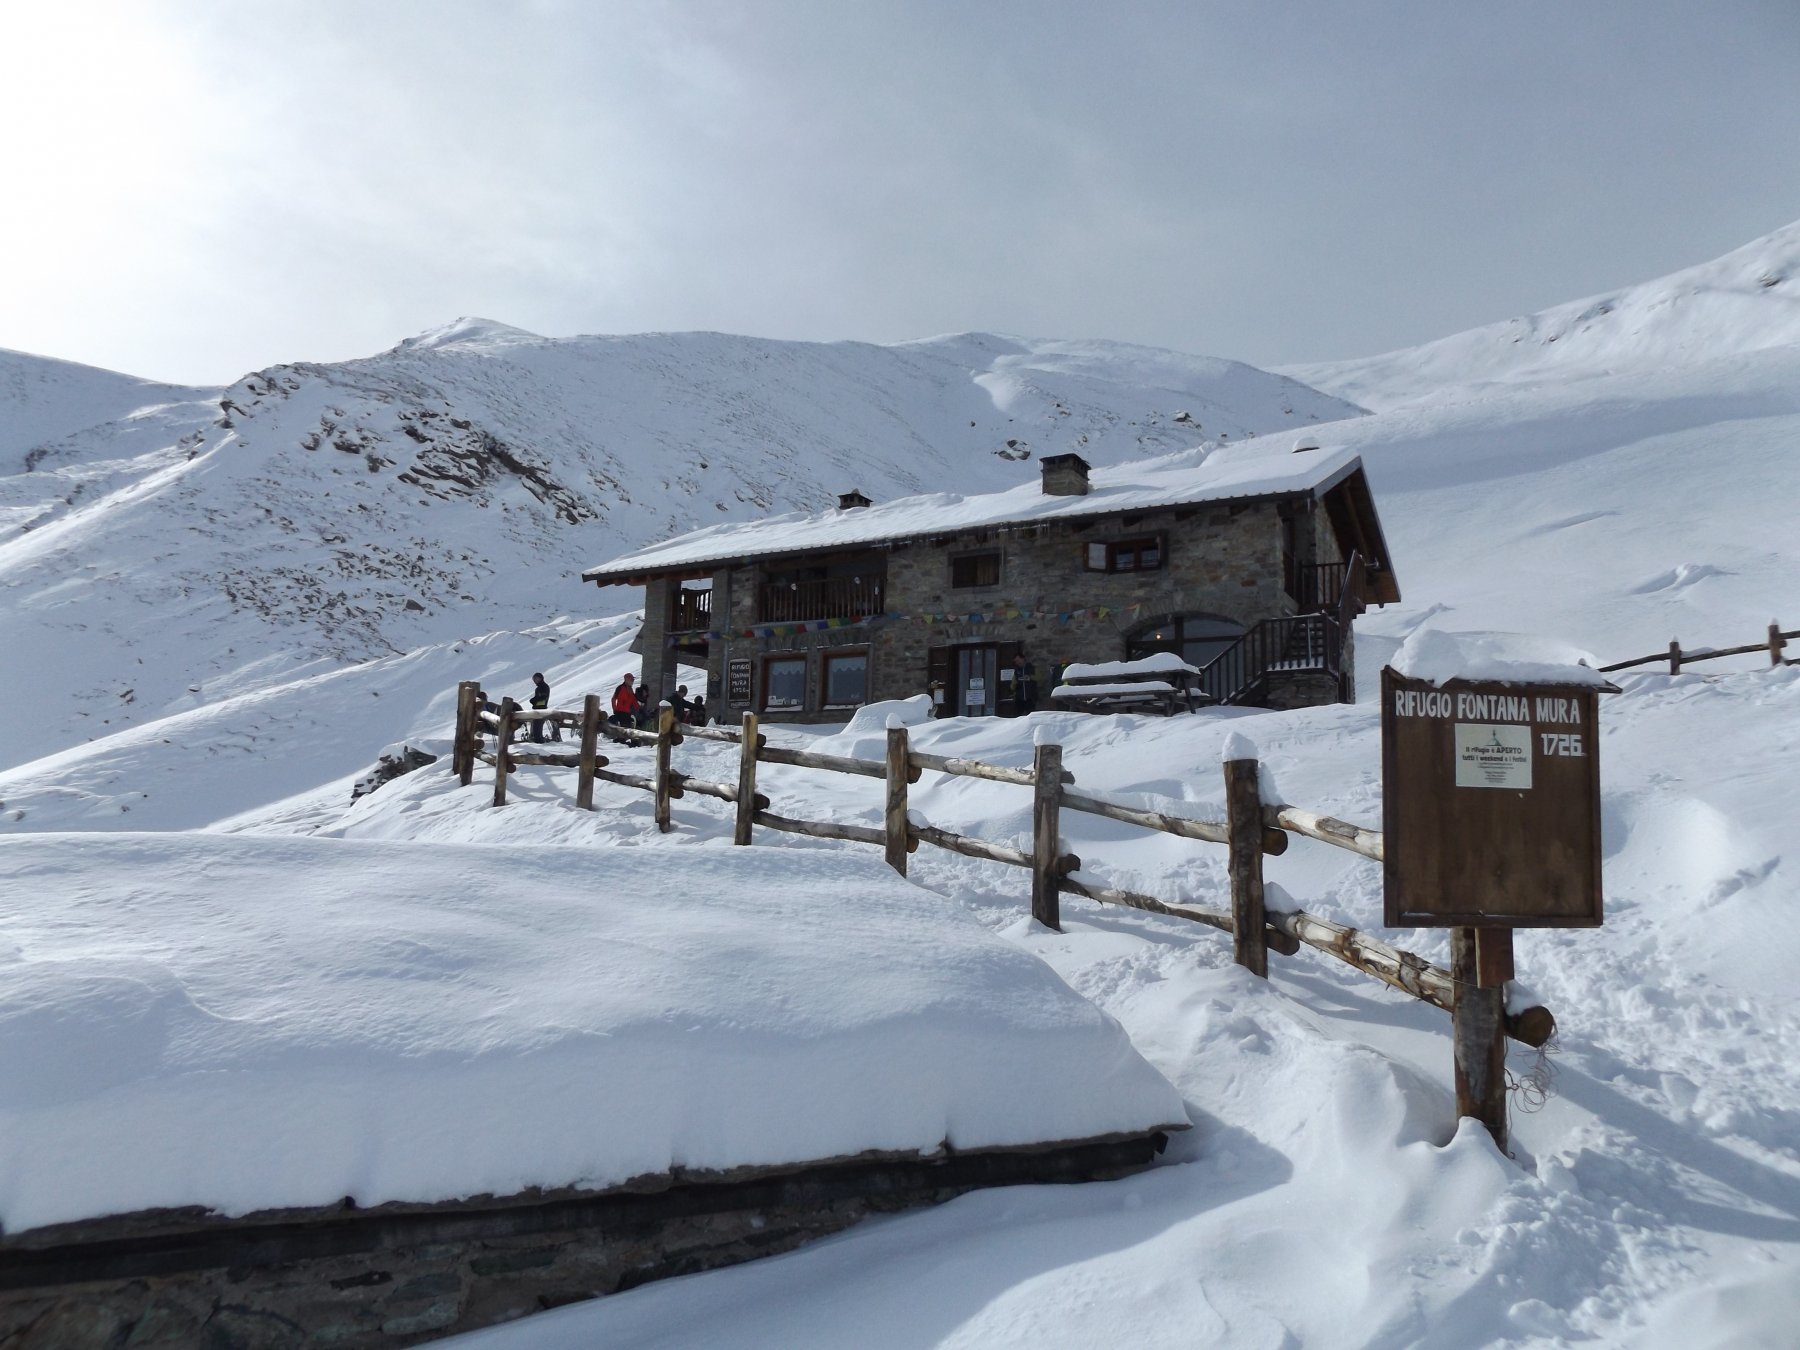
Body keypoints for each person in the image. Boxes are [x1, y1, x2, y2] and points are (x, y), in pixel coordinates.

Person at [528, 672, 561, 743]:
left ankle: (539, 741)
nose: (535, 681)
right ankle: (538, 740)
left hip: (541, 709)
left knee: (537, 727)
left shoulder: (544, 687)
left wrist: (533, 700)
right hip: (538, 709)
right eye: (534, 679)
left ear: (540, 678)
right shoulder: (539, 688)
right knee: (536, 728)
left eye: (536, 678)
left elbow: (542, 697)